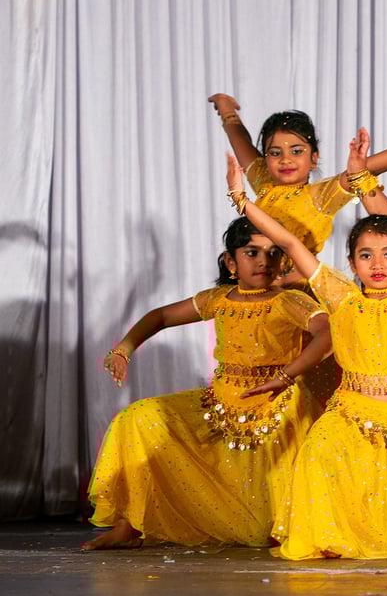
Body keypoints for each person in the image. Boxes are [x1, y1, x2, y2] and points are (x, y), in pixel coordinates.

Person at [231, 113, 387, 559]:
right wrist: (242, 200)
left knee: (386, 530)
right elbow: (290, 243)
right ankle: (325, 537)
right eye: (366, 255)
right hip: (348, 413)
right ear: (352, 262)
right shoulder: (339, 293)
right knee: (317, 454)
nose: (377, 264)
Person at [83, 217, 332, 549]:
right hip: (221, 406)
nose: (263, 261)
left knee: (264, 529)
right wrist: (123, 349)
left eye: (272, 253)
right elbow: (161, 317)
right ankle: (129, 525)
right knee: (138, 419)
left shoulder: (290, 301)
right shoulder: (218, 299)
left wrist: (285, 377)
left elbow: (327, 333)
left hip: (277, 410)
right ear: (231, 262)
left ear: (283, 261)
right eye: (252, 253)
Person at [209, 93, 387, 264]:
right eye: (275, 153)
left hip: (299, 295)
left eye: (296, 151)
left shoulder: (319, 196)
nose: (285, 160)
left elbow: (363, 170)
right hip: (258, 285)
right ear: (266, 158)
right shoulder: (263, 182)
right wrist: (224, 107)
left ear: (314, 158)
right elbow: (239, 139)